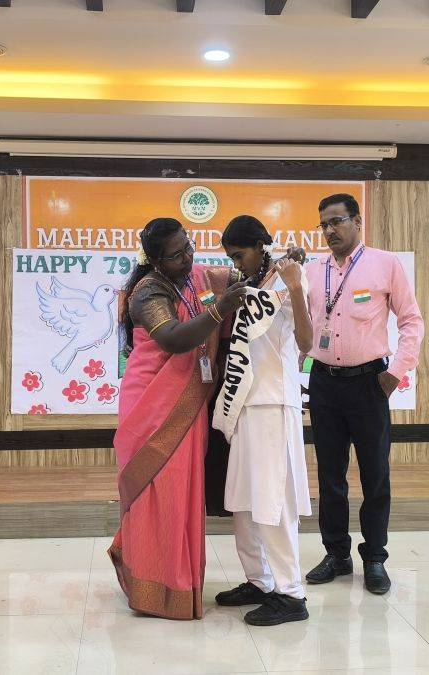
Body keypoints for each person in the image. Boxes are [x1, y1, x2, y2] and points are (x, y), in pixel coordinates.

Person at [108, 217, 248, 620]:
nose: (187, 258)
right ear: (155, 260)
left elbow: (247, 275)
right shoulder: (147, 291)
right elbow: (171, 338)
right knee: (156, 493)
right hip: (152, 403)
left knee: (182, 493)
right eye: (176, 255)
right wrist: (219, 311)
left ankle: (181, 583)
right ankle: (153, 586)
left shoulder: (198, 277)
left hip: (188, 401)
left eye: (188, 247)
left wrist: (283, 264)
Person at [302, 193, 424, 595]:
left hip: (369, 383)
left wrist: (395, 374)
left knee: (375, 474)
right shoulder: (312, 270)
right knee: (330, 475)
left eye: (336, 221)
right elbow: (299, 325)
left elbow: (412, 322)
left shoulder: (385, 264)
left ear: (357, 222)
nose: (329, 230)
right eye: (324, 224)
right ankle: (336, 554)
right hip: (323, 383)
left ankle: (374, 558)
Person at [212, 215, 314, 626]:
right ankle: (260, 581)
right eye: (231, 258)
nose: (236, 264)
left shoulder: (290, 278)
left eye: (240, 255)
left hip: (274, 403)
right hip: (243, 405)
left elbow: (306, 341)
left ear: (260, 245)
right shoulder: (248, 284)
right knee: (243, 501)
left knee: (273, 500)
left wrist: (295, 286)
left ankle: (290, 594)